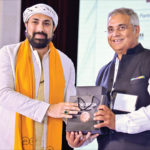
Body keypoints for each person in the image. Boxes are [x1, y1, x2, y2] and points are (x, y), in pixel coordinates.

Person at [66, 8, 150, 150]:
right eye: (110, 29)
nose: (115, 34)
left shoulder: (148, 60)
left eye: (121, 28)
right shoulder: (103, 71)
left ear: (137, 30)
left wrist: (117, 121)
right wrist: (81, 137)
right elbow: (97, 121)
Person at [0, 3, 80, 150]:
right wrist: (48, 109)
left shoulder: (65, 62)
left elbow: (69, 106)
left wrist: (79, 136)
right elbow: (3, 94)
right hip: (11, 144)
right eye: (35, 22)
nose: (40, 29)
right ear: (26, 24)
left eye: (46, 23)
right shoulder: (8, 54)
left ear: (54, 28)